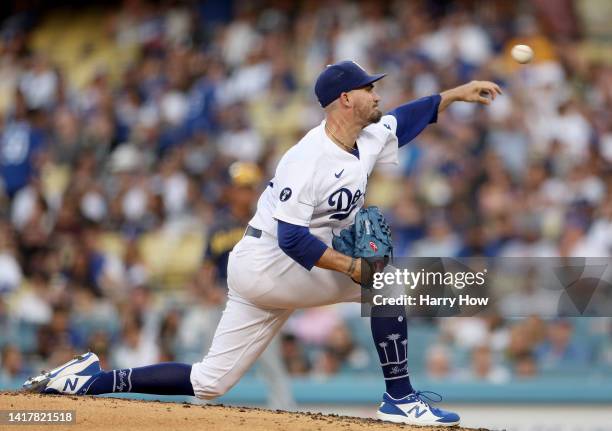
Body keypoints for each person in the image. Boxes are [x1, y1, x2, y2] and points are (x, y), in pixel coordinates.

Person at [24, 60, 501, 427]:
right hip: (269, 261)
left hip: (275, 268)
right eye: (368, 88)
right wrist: (354, 269)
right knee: (383, 284)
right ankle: (400, 398)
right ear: (344, 100)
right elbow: (293, 238)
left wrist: (455, 94)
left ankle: (87, 380)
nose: (376, 93)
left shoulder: (368, 136)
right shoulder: (307, 158)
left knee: (210, 382)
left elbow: (407, 118)